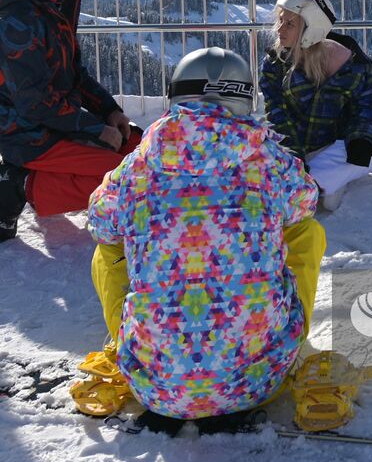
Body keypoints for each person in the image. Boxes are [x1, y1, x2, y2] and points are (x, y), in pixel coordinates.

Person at [79, 47, 335, 433]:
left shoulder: (140, 162)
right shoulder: (267, 155)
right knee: (306, 232)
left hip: (155, 387)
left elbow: (99, 221)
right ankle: (275, 337)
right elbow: (305, 203)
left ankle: (140, 343)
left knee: (108, 248)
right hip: (260, 381)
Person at [0, 0, 138, 241]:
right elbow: (33, 104)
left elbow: (74, 74)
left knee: (140, 148)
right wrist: (93, 129)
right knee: (125, 176)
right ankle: (17, 184)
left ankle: (41, 177)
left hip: (56, 121)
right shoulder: (16, 25)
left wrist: (110, 112)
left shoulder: (55, 3)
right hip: (27, 133)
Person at [260, 0, 372, 211]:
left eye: (289, 24)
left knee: (369, 155)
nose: (279, 30)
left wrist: (361, 138)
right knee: (261, 154)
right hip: (294, 148)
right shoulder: (275, 63)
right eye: (281, 21)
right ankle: (318, 187)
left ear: (310, 29)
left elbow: (365, 108)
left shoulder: (350, 65)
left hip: (331, 146)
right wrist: (294, 156)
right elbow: (276, 115)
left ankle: (299, 191)